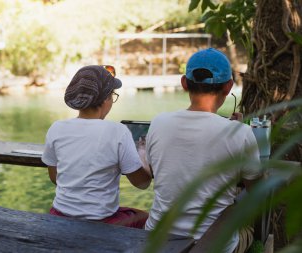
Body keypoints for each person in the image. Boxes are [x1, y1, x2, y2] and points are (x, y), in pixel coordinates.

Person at [144, 48, 262, 252]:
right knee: (250, 229)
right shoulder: (240, 133)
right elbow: (256, 189)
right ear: (228, 87)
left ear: (184, 83)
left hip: (158, 241)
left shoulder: (158, 123)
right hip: (212, 245)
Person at [41, 65, 152, 229]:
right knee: (146, 218)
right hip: (101, 222)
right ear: (106, 99)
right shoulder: (118, 132)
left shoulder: (56, 128)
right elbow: (142, 184)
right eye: (113, 96)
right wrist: (143, 154)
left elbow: (54, 177)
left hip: (59, 215)